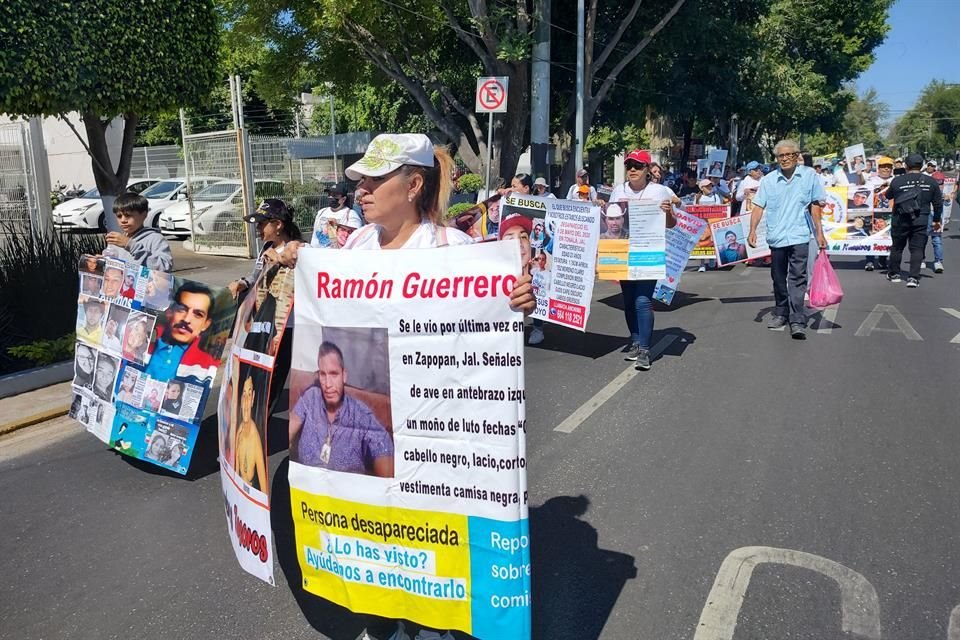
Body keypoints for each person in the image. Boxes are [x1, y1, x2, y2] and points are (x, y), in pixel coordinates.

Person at [298, 132, 533, 640]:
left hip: (436, 442)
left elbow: (493, 337)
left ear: (413, 185)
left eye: (374, 180)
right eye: (359, 179)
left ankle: (433, 621)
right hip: (380, 435)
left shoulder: (457, 251)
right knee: (374, 528)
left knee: (430, 536)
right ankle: (384, 616)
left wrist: (515, 300)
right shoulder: (355, 247)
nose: (359, 188)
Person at [747, 139, 827, 339]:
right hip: (776, 237)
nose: (784, 159)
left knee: (798, 277)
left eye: (788, 155)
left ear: (796, 155)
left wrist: (819, 233)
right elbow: (758, 206)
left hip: (800, 234)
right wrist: (752, 230)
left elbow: (815, 205)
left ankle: (797, 319)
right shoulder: (769, 180)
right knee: (778, 277)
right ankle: (781, 311)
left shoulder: (809, 176)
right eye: (780, 156)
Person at [609, 149, 679, 370]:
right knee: (628, 301)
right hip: (622, 252)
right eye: (629, 165)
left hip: (648, 252)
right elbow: (610, 219)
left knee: (642, 301)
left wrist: (667, 212)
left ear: (648, 170)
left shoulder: (659, 191)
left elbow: (671, 224)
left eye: (638, 166)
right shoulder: (618, 191)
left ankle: (646, 350)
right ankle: (636, 340)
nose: (632, 169)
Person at [291, 342, 394, 476]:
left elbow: (383, 451)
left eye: (334, 374)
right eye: (323, 374)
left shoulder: (360, 413)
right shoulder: (311, 397)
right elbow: (292, 424)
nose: (328, 384)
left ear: (344, 376)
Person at [884, 153, 943, 287]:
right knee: (917, 248)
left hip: (900, 219)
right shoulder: (931, 181)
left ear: (906, 165)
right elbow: (938, 204)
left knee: (897, 247)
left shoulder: (897, 180)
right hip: (921, 219)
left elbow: (888, 196)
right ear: (922, 166)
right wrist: (936, 220)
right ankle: (913, 278)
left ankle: (894, 274)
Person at [144, 282, 219, 383]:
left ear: (205, 324)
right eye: (182, 310)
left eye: (198, 314)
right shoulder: (140, 346)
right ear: (169, 312)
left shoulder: (210, 366)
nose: (187, 319)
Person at [103, 193, 173, 272]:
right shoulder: (117, 240)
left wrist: (131, 246)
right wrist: (102, 262)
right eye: (119, 216)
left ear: (144, 214)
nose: (123, 220)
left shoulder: (155, 239)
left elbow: (165, 267)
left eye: (128, 215)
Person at [232, 375, 267, 491]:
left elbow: (263, 485)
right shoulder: (240, 430)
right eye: (244, 395)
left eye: (249, 394)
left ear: (253, 399)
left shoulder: (254, 438)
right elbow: (235, 471)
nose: (246, 401)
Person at [862, 157, 894, 272]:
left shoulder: (896, 180)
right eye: (884, 166)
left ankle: (883, 260)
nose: (886, 169)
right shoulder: (871, 180)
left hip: (890, 214)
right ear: (878, 168)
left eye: (889, 166)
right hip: (874, 214)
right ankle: (869, 260)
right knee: (872, 237)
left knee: (886, 237)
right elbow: (861, 188)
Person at [311, 183, 363, 248]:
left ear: (343, 199)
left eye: (335, 195)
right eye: (329, 194)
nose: (331, 197)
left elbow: (354, 240)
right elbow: (314, 236)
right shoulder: (321, 212)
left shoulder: (351, 215)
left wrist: (334, 228)